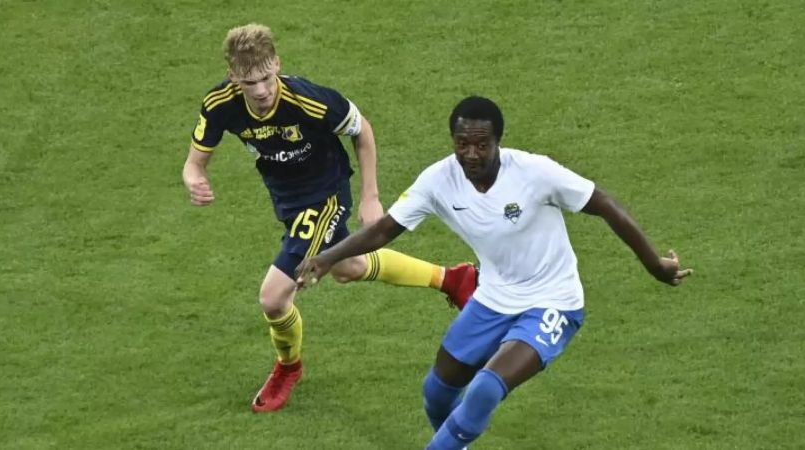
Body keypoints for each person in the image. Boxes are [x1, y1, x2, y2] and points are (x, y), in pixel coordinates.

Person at [295, 96, 693, 448]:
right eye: (462, 144)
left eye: (481, 145)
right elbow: (384, 229)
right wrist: (328, 257)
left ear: (498, 141)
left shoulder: (535, 173)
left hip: (554, 301)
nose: (471, 153)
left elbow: (603, 203)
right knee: (436, 392)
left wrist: (654, 264)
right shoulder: (438, 181)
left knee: (486, 387)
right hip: (493, 298)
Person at [181, 23, 478, 414]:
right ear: (234, 78)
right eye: (250, 82)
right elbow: (193, 163)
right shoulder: (220, 104)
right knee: (349, 266)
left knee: (273, 297)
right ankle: (452, 278)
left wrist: (370, 197)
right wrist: (195, 178)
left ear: (278, 66)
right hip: (286, 197)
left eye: (268, 77)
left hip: (325, 191)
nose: (262, 90)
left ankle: (288, 368)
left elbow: (362, 130)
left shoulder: (310, 100)